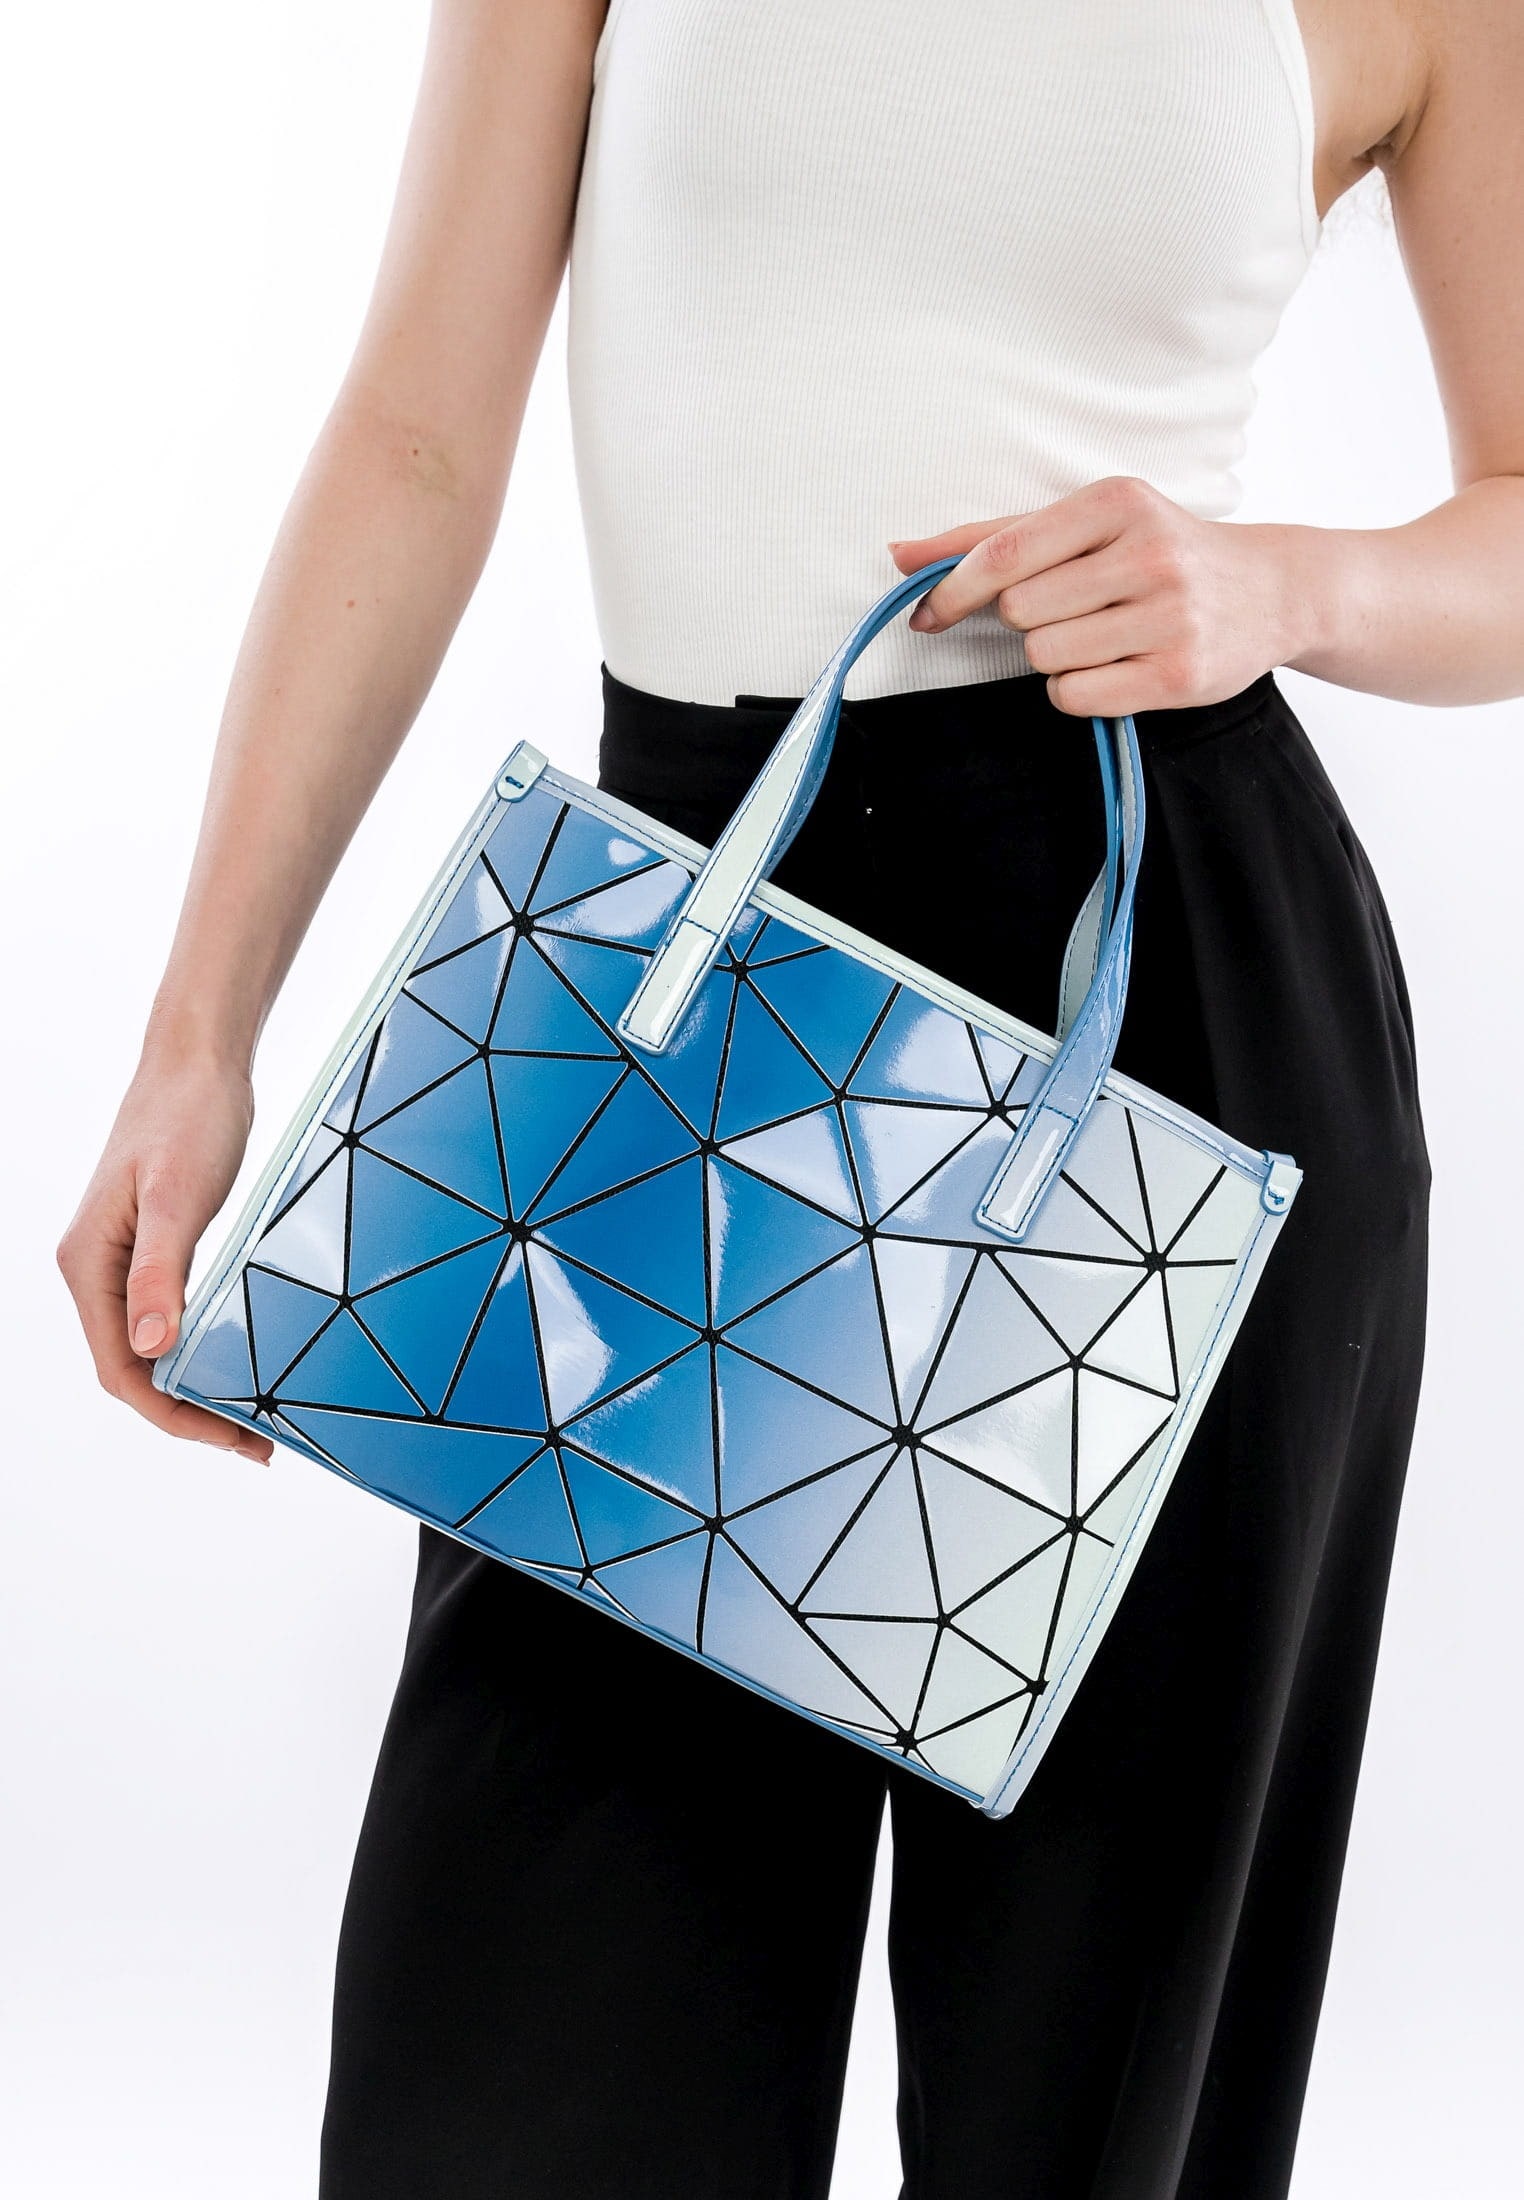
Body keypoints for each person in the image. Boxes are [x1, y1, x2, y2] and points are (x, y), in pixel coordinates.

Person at [54, 1, 1521, 2194]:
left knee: (1102, 2103)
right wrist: (199, 1027)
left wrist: (1284, 580)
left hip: (1167, 1021)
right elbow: (419, 431)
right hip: (671, 1015)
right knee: (527, 2066)